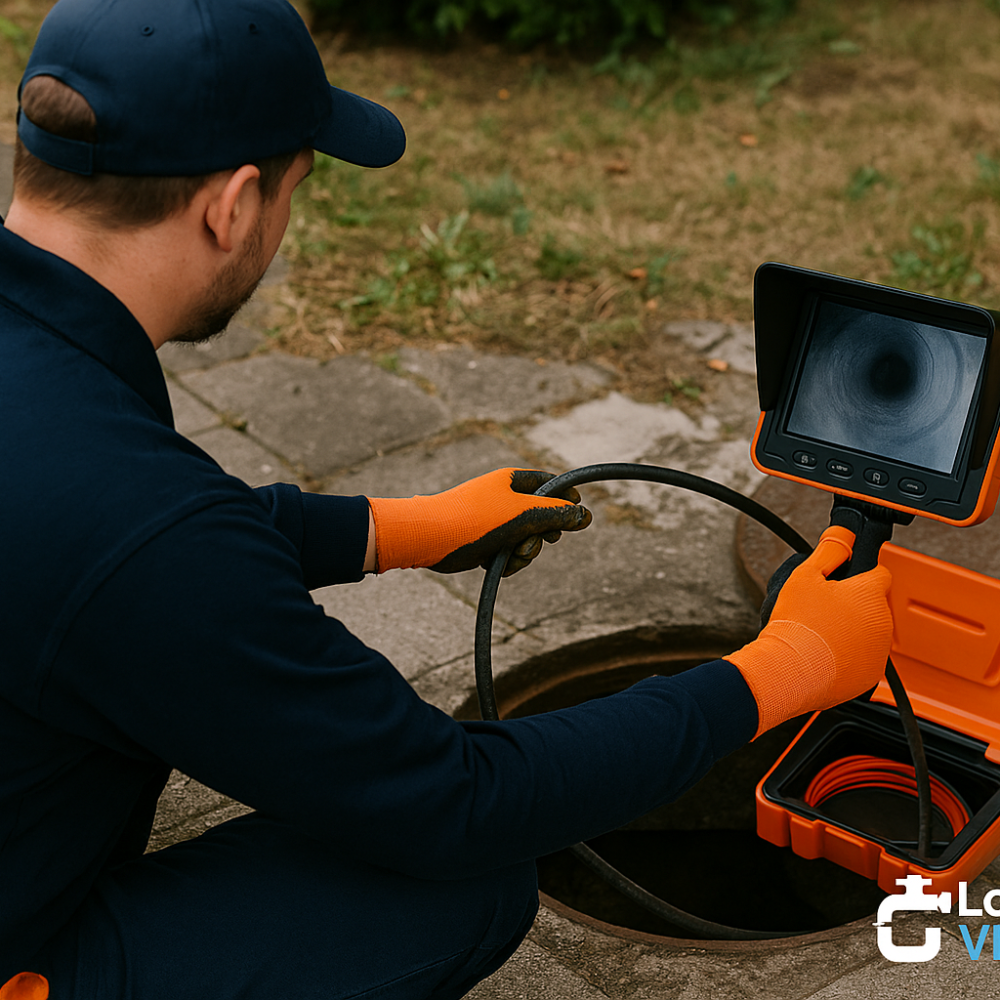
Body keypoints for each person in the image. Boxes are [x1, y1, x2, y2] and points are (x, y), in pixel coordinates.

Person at [0, 1, 894, 997]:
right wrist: (784, 668)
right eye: (298, 192)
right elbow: (454, 801)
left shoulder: (59, 403)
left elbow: (88, 553)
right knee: (459, 878)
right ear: (233, 205)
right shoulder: (140, 525)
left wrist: (400, 529)